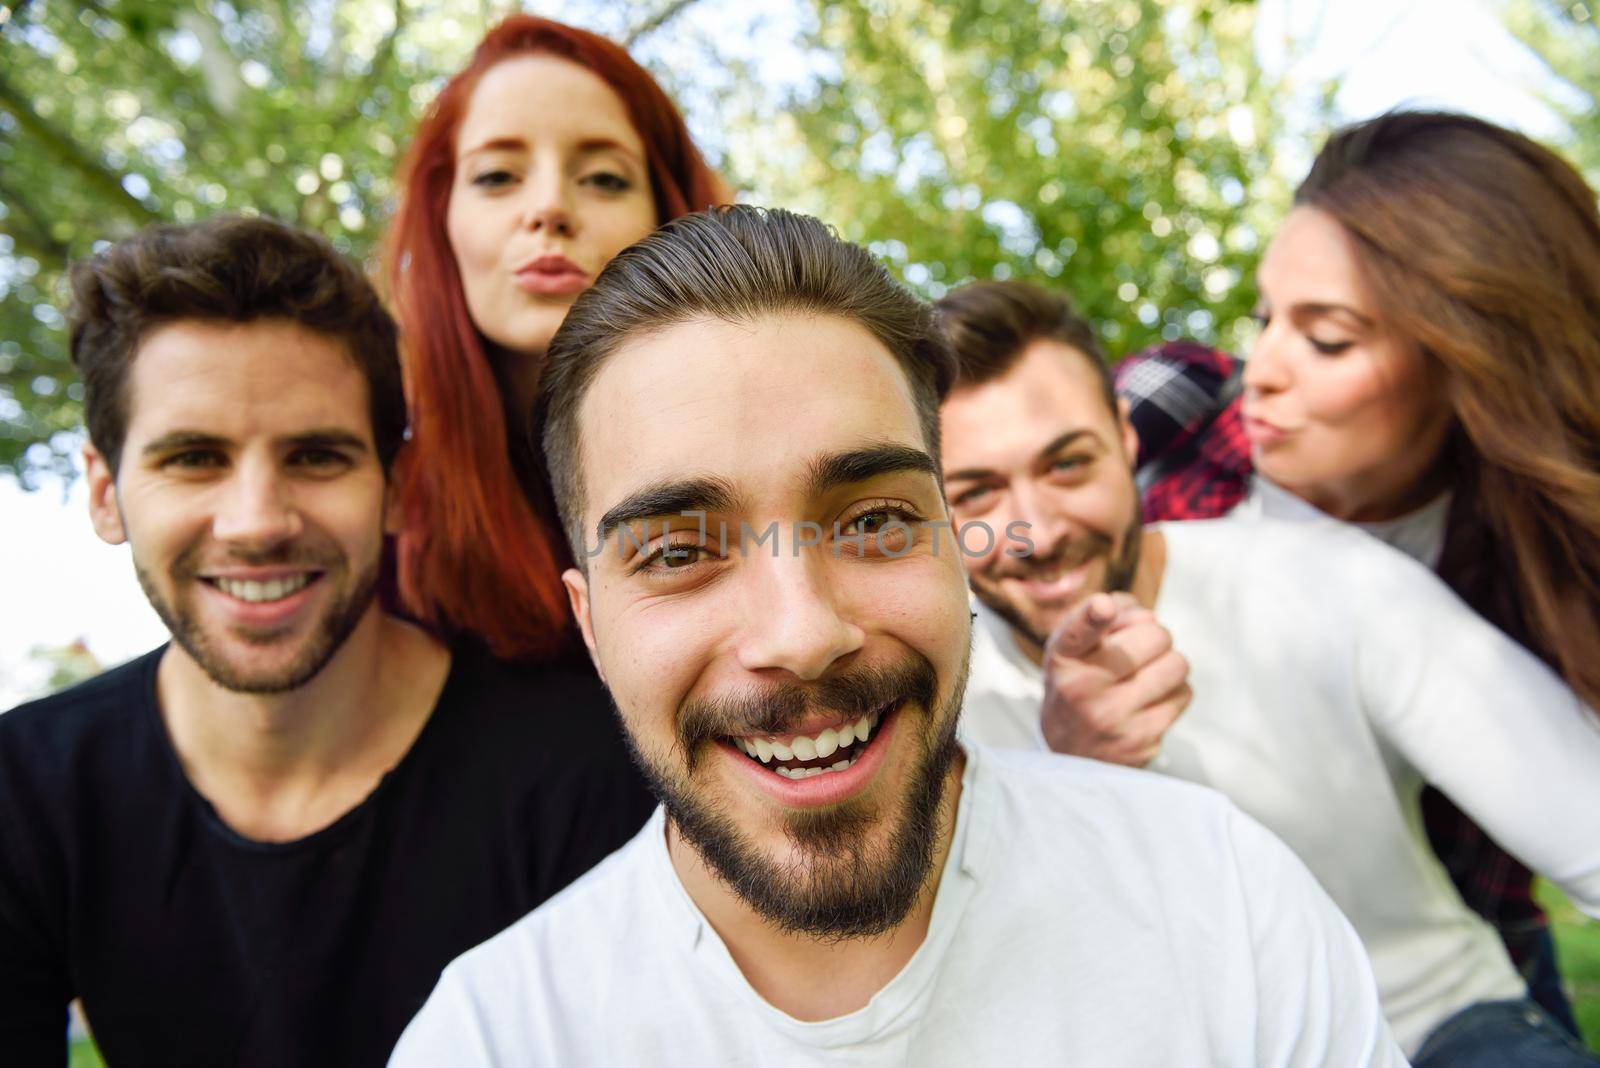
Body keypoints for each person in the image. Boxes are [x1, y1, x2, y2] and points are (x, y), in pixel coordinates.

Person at [389, 206, 1404, 1067]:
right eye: (677, 551)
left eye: (874, 522)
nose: (802, 633)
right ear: (592, 626)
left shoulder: (1221, 901)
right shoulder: (496, 1040)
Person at [0, 216, 655, 1067]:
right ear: (104, 494)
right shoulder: (28, 792)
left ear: (395, 487)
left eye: (316, 457)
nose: (258, 523)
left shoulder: (585, 777)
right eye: (194, 458)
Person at [937, 278, 1600, 1065]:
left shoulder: (1331, 582)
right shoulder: (939, 705)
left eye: (1068, 466)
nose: (1036, 531)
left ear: (1124, 436)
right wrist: (1076, 781)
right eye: (976, 495)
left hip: (1429, 1028)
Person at [1115, 110, 1600, 1032]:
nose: (1261, 370)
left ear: (1470, 358)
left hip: (1448, 971)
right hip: (1201, 973)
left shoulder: (1529, 555)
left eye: (1327, 339)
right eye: (1266, 319)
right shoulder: (1166, 420)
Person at [383, 14, 724, 659]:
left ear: (669, 218)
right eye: (497, 176)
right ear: (442, 222)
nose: (549, 207)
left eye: (603, 178)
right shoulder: (380, 503)